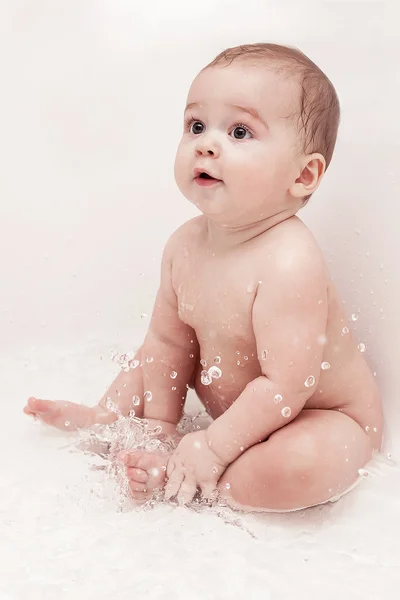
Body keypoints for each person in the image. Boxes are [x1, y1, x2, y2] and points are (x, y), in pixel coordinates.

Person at [24, 43, 383, 512]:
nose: (206, 143)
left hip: (320, 417)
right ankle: (112, 423)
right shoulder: (183, 246)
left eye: (239, 131)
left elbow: (286, 388)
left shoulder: (290, 260)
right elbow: (166, 347)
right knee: (151, 358)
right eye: (196, 125)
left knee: (298, 468)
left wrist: (212, 448)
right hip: (238, 418)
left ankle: (191, 480)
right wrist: (159, 428)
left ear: (303, 175)